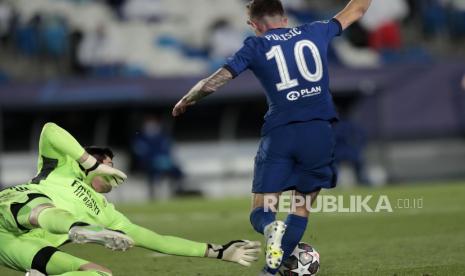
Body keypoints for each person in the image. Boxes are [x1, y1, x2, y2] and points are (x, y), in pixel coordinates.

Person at [172, 0, 372, 274]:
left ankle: (269, 227)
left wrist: (189, 98)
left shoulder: (255, 45)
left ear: (254, 25)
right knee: (300, 208)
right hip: (319, 132)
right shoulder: (316, 30)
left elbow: (219, 78)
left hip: (281, 134)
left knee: (262, 210)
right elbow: (357, 9)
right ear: (285, 17)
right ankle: (270, 272)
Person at [0, 123, 260, 276]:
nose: (114, 173)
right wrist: (90, 163)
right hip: (12, 212)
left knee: (100, 274)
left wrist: (221, 252)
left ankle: (75, 236)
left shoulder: (107, 213)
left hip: (16, 247)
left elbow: (160, 241)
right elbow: (49, 130)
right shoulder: (61, 168)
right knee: (41, 207)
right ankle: (77, 228)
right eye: (109, 165)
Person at [132, 116, 185, 198]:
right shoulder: (141, 138)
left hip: (164, 163)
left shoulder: (162, 137)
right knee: (155, 171)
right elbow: (141, 154)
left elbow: (167, 151)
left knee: (176, 170)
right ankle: (156, 194)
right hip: (149, 164)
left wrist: (164, 160)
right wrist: (153, 161)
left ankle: (177, 192)